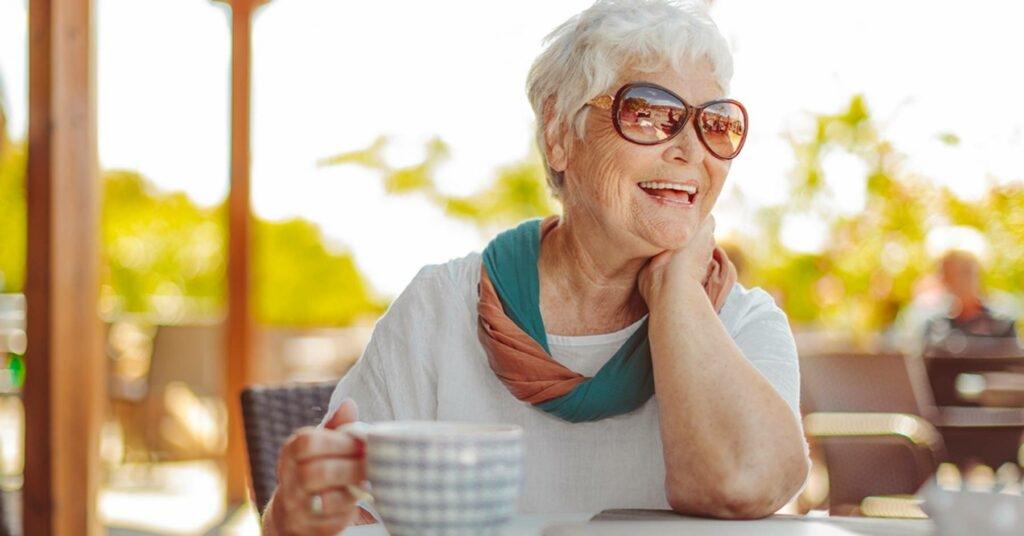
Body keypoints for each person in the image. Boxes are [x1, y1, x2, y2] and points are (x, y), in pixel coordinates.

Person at [262, 1, 810, 533]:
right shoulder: (442, 308)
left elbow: (741, 485)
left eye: (716, 124)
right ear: (559, 136)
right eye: (649, 113)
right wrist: (298, 516)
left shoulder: (743, 325)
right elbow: (337, 519)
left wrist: (676, 288)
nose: (691, 150)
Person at [922, 250, 1018, 356]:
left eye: (967, 272)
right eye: (953, 275)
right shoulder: (935, 327)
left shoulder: (1001, 325)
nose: (962, 281)